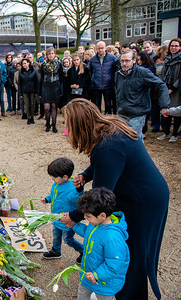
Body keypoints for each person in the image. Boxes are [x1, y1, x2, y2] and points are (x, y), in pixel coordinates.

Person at [61, 99, 170, 300]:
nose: (66, 129)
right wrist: (86, 174)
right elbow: (106, 166)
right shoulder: (112, 125)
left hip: (143, 202)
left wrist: (74, 216)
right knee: (132, 251)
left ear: (79, 126)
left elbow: (99, 197)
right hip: (150, 193)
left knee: (133, 254)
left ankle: (128, 294)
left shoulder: (107, 147)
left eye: (68, 125)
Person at [74, 188, 130, 300]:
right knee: (82, 293)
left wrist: (97, 275)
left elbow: (115, 264)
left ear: (103, 216)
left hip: (105, 282)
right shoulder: (95, 223)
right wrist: (74, 225)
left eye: (88, 216)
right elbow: (89, 233)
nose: (85, 218)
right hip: (88, 273)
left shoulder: (112, 238)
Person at [115, 50, 169, 140]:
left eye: (127, 61)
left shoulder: (143, 73)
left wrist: (164, 105)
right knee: (126, 139)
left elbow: (161, 86)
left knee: (133, 139)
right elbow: (118, 90)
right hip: (122, 113)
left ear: (134, 60)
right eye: (122, 61)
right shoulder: (118, 74)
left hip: (137, 113)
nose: (124, 63)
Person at [41, 157, 84, 263]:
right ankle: (56, 250)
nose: (52, 179)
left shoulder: (72, 189)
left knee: (68, 240)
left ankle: (83, 251)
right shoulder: (57, 184)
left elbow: (77, 197)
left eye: (54, 177)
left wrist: (79, 189)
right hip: (56, 218)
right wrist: (47, 199)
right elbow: (54, 195)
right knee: (56, 235)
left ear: (65, 177)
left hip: (66, 221)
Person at [158, 37, 181, 142]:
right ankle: (166, 132)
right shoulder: (167, 58)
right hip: (165, 87)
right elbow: (163, 73)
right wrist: (162, 85)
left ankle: (174, 134)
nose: (173, 48)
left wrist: (172, 88)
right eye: (172, 46)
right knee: (165, 110)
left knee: (175, 112)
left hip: (176, 90)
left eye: (176, 46)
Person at [39, 47, 64, 133]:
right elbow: (41, 78)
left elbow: (61, 77)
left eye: (52, 53)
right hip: (46, 86)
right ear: (47, 55)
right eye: (49, 54)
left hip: (55, 86)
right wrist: (40, 91)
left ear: (55, 54)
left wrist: (61, 90)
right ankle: (47, 123)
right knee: (46, 107)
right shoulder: (43, 65)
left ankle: (54, 124)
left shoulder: (59, 64)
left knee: (54, 106)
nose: (51, 55)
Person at [89, 41, 117, 114]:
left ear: (105, 48)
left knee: (108, 105)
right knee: (96, 106)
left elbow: (115, 71)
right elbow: (90, 71)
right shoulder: (92, 60)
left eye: (102, 48)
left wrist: (112, 81)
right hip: (96, 85)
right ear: (96, 49)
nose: (100, 50)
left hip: (108, 85)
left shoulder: (112, 58)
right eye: (99, 48)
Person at [152, 45, 168, 132]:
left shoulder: (169, 61)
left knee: (164, 106)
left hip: (165, 87)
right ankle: (155, 126)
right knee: (154, 108)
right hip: (155, 87)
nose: (167, 54)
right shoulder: (154, 61)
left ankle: (164, 126)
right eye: (166, 52)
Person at [17, 58, 39, 125]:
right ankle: (28, 117)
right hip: (25, 90)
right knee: (27, 105)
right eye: (23, 64)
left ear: (28, 63)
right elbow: (19, 83)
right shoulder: (21, 72)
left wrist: (37, 91)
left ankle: (32, 117)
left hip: (32, 90)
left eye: (25, 63)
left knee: (32, 104)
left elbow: (37, 81)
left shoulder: (33, 71)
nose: (24, 65)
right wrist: (20, 93)